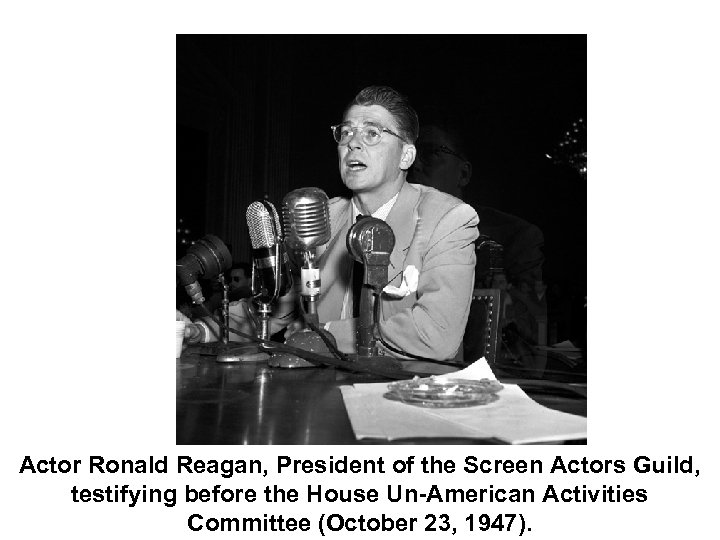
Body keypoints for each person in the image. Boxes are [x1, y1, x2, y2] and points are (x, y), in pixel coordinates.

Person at [184, 86, 479, 366]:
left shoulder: (449, 219)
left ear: (406, 155)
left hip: (408, 394)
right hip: (318, 395)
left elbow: (436, 333)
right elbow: (273, 306)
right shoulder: (319, 218)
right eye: (346, 132)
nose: (352, 142)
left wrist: (324, 334)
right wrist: (200, 331)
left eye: (372, 133)